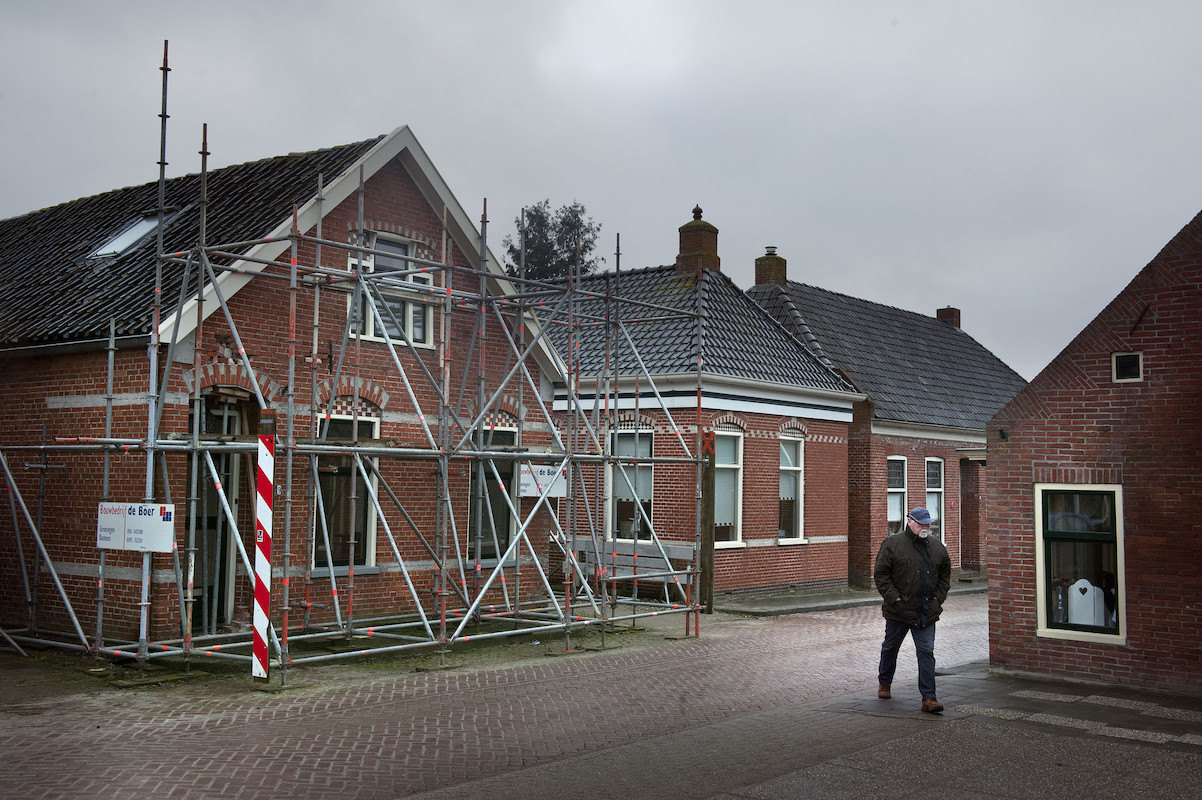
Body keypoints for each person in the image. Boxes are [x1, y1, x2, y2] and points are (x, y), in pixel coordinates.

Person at [873, 506, 951, 713]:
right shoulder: (892, 544)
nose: (924, 527)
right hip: (899, 610)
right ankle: (885, 683)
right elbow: (881, 574)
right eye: (920, 524)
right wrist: (895, 598)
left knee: (926, 652)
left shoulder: (937, 548)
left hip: (927, 610)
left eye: (927, 524)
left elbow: (945, 576)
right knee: (890, 647)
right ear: (910, 522)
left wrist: (937, 599)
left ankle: (929, 698)